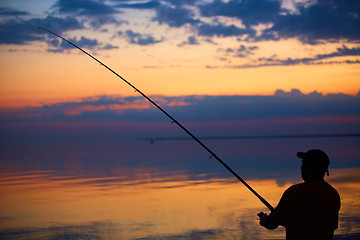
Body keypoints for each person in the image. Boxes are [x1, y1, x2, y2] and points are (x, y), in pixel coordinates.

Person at [258, 149, 341, 240]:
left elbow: (272, 224)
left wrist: (264, 220)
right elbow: (331, 225)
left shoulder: (294, 192)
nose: (301, 167)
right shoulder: (333, 194)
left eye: (303, 164)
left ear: (309, 168)